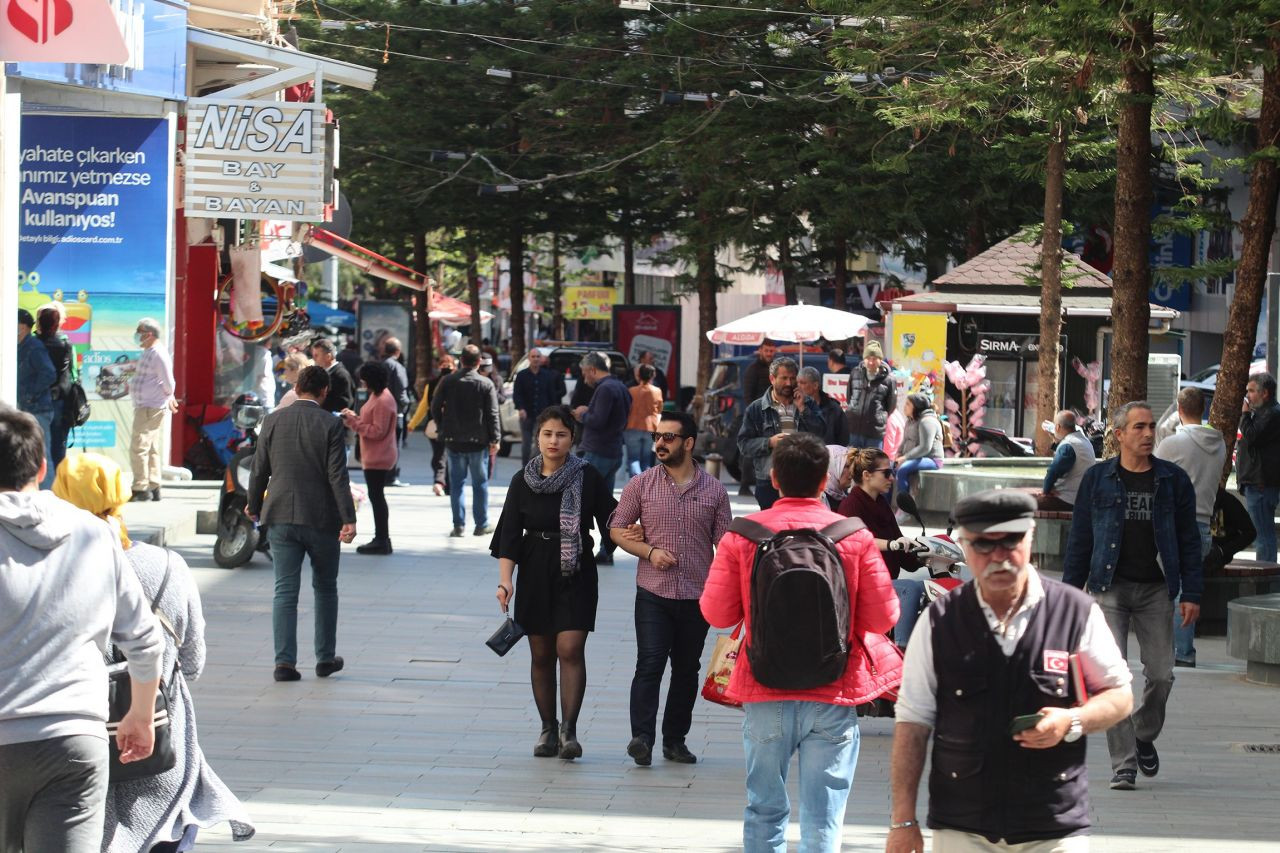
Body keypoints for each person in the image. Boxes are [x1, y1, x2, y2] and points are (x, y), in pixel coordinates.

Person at [887, 489, 1134, 853]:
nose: (999, 557)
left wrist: (1072, 721)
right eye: (984, 545)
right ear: (966, 548)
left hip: (1052, 827)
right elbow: (912, 722)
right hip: (962, 827)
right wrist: (903, 821)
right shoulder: (940, 620)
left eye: (1010, 542)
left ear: (1030, 537)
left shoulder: (1074, 611)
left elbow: (1120, 695)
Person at [701, 433, 900, 853]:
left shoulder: (745, 535)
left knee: (763, 809)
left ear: (774, 479)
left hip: (764, 686)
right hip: (833, 690)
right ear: (824, 479)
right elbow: (885, 617)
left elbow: (717, 613)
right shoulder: (853, 534)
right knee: (823, 816)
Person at [52, 453, 256, 851]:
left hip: (75, 740)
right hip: (159, 739)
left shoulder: (46, 569)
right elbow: (193, 663)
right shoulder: (166, 566)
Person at [0, 404, 165, 852]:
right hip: (74, 743)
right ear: (42, 465)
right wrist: (140, 714)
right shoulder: (94, 534)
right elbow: (146, 641)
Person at [1062, 400, 1203, 791]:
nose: (1147, 434)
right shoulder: (1097, 479)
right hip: (1110, 588)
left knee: (1161, 675)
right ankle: (1123, 763)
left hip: (1157, 589)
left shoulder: (1173, 480)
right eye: (1138, 427)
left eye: (1150, 427)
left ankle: (1142, 733)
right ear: (1119, 434)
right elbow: (1081, 539)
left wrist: (1192, 591)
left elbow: (1190, 540)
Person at [491, 406, 618, 761]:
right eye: (547, 434)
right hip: (533, 571)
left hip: (575, 570)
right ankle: (548, 727)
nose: (553, 441)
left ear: (572, 439)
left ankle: (569, 731)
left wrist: (642, 536)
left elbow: (612, 518)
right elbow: (508, 537)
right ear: (538, 438)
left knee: (570, 649)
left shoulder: (586, 475)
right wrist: (505, 582)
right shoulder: (522, 480)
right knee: (542, 654)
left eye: (561, 434)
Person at [609, 412, 733, 766]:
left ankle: (675, 740)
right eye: (658, 436)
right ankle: (642, 739)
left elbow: (724, 546)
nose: (660, 443)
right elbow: (617, 529)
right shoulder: (641, 484)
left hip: (697, 594)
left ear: (689, 443)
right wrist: (648, 551)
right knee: (649, 663)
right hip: (653, 591)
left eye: (669, 437)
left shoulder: (714, 491)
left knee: (686, 668)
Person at [246, 365, 357, 683]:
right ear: (324, 392)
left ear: (296, 387)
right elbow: (338, 474)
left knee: (284, 590)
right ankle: (324, 658)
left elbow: (259, 469)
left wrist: (254, 506)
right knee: (325, 588)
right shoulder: (330, 423)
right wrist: (348, 518)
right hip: (321, 517)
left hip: (280, 514)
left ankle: (284, 663)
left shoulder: (272, 420)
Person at [1153, 387, 1226, 668]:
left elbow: (1153, 471)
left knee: (1169, 591)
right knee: (1187, 591)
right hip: (1204, 524)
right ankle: (1183, 649)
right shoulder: (1218, 443)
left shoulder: (1173, 445)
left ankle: (1178, 652)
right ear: (1203, 409)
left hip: (1173, 523)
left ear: (1179, 410)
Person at [839, 448, 927, 648]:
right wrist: (892, 544)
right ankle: (902, 652)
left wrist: (925, 555)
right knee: (910, 588)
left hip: (885, 581)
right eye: (886, 473)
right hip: (861, 586)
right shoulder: (850, 506)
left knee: (933, 590)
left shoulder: (881, 504)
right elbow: (858, 539)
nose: (892, 478)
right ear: (867, 475)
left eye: (892, 472)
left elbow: (900, 547)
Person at [737, 356, 826, 510]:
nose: (789, 383)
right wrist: (769, 442)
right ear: (772, 378)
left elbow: (821, 434)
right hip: (768, 481)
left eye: (792, 378)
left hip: (802, 479)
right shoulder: (756, 409)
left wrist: (803, 409)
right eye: (784, 378)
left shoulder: (807, 403)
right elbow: (744, 444)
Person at [430, 345, 500, 537]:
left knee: (457, 484)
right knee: (480, 483)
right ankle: (481, 524)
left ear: (461, 361)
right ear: (479, 362)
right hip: (478, 441)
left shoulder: (448, 380)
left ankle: (459, 525)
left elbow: (434, 406)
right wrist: (495, 438)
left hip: (454, 440)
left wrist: (441, 426)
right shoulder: (485, 384)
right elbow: (493, 414)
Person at [573, 351, 632, 564]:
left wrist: (582, 414)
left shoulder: (605, 389)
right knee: (605, 506)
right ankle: (606, 550)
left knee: (583, 501)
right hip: (613, 450)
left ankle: (579, 549)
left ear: (592, 370)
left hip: (598, 451)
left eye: (583, 372)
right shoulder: (620, 387)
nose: (583, 377)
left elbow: (598, 421)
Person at [341, 362, 399, 556]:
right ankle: (381, 538)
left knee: (377, 497)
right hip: (374, 454)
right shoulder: (378, 395)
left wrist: (353, 423)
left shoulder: (383, 400)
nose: (362, 383)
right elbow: (371, 423)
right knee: (377, 497)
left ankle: (382, 539)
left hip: (379, 456)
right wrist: (355, 418)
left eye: (364, 380)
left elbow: (377, 431)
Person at [130, 318, 177, 502]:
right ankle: (153, 484)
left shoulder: (158, 353)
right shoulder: (149, 352)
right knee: (150, 447)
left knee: (139, 446)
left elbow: (168, 382)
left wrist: (168, 396)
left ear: (149, 334)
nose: (137, 335)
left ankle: (140, 487)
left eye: (139, 332)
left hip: (151, 406)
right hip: (146, 405)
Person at [1234, 372, 1280, 562]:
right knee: (1263, 532)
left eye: (1252, 391)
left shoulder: (1271, 414)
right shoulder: (1264, 413)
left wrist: (1244, 413)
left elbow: (1252, 436)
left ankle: (1267, 574)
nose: (1248, 396)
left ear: (1265, 393)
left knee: (1263, 534)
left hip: (1260, 483)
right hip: (1257, 481)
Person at [17, 308, 57, 489]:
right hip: (25, 409)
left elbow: (49, 374)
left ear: (23, 327)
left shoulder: (33, 347)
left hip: (38, 409)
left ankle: (48, 495)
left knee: (42, 453)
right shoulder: (18, 346)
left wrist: (30, 395)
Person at [409, 354, 456, 497]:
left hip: (435, 425)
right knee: (444, 455)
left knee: (439, 455)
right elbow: (424, 406)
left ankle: (440, 482)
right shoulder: (456, 382)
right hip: (448, 426)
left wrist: (412, 423)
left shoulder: (433, 383)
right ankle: (443, 483)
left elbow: (424, 406)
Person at [512, 348, 567, 465]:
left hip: (543, 415)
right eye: (533, 357)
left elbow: (552, 396)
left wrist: (553, 413)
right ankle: (525, 468)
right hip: (526, 414)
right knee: (526, 443)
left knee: (540, 442)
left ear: (541, 359)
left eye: (538, 357)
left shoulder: (547, 376)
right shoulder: (521, 375)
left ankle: (533, 465)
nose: (536, 359)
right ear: (529, 359)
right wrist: (521, 408)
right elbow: (517, 394)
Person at [37, 306, 74, 476]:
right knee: (58, 443)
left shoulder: (34, 343)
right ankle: (59, 483)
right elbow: (69, 372)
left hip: (38, 399)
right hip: (59, 397)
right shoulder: (65, 343)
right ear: (57, 323)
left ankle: (42, 480)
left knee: (38, 441)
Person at [1036, 410, 1097, 511]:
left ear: (1058, 427)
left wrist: (1045, 491)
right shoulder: (1084, 440)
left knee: (1027, 504)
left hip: (1069, 500)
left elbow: (1053, 472)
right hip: (1084, 498)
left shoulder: (1069, 445)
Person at [846, 340, 896, 449]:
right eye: (868, 358)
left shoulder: (889, 379)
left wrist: (878, 415)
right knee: (852, 464)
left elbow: (891, 406)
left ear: (880, 360)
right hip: (853, 429)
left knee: (873, 464)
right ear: (864, 359)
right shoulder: (855, 372)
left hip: (874, 432)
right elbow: (849, 397)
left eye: (874, 359)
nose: (871, 362)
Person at [894, 393, 943, 496]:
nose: (904, 406)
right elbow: (904, 440)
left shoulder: (927, 421)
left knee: (903, 469)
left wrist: (905, 458)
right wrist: (898, 454)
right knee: (888, 470)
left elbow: (925, 448)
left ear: (916, 407)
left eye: (908, 404)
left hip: (931, 459)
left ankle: (904, 504)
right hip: (913, 458)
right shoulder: (910, 421)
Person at [382, 337, 413, 486]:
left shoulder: (381, 365)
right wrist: (405, 406)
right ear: (398, 351)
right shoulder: (397, 367)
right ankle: (392, 475)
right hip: (395, 412)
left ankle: (384, 475)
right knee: (394, 445)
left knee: (384, 444)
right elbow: (402, 390)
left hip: (380, 411)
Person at [624, 364, 664, 478]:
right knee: (646, 460)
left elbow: (626, 408)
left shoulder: (631, 390)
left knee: (633, 459)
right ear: (653, 375)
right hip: (650, 427)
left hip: (632, 426)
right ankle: (645, 485)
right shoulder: (657, 391)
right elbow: (660, 409)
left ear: (638, 375)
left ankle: (637, 484)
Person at [798, 366, 849, 447]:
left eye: (802, 383)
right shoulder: (796, 406)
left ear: (815, 385)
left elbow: (843, 438)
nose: (798, 386)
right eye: (797, 383)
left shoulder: (834, 409)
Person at [310, 337, 354, 414]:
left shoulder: (340, 375)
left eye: (316, 355)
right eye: (313, 355)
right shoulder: (327, 373)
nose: (314, 359)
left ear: (328, 357)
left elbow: (345, 404)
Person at [742, 340, 778, 408]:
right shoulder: (753, 369)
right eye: (766, 350)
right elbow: (748, 396)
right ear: (760, 351)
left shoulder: (777, 368)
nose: (769, 353)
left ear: (775, 351)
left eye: (771, 351)